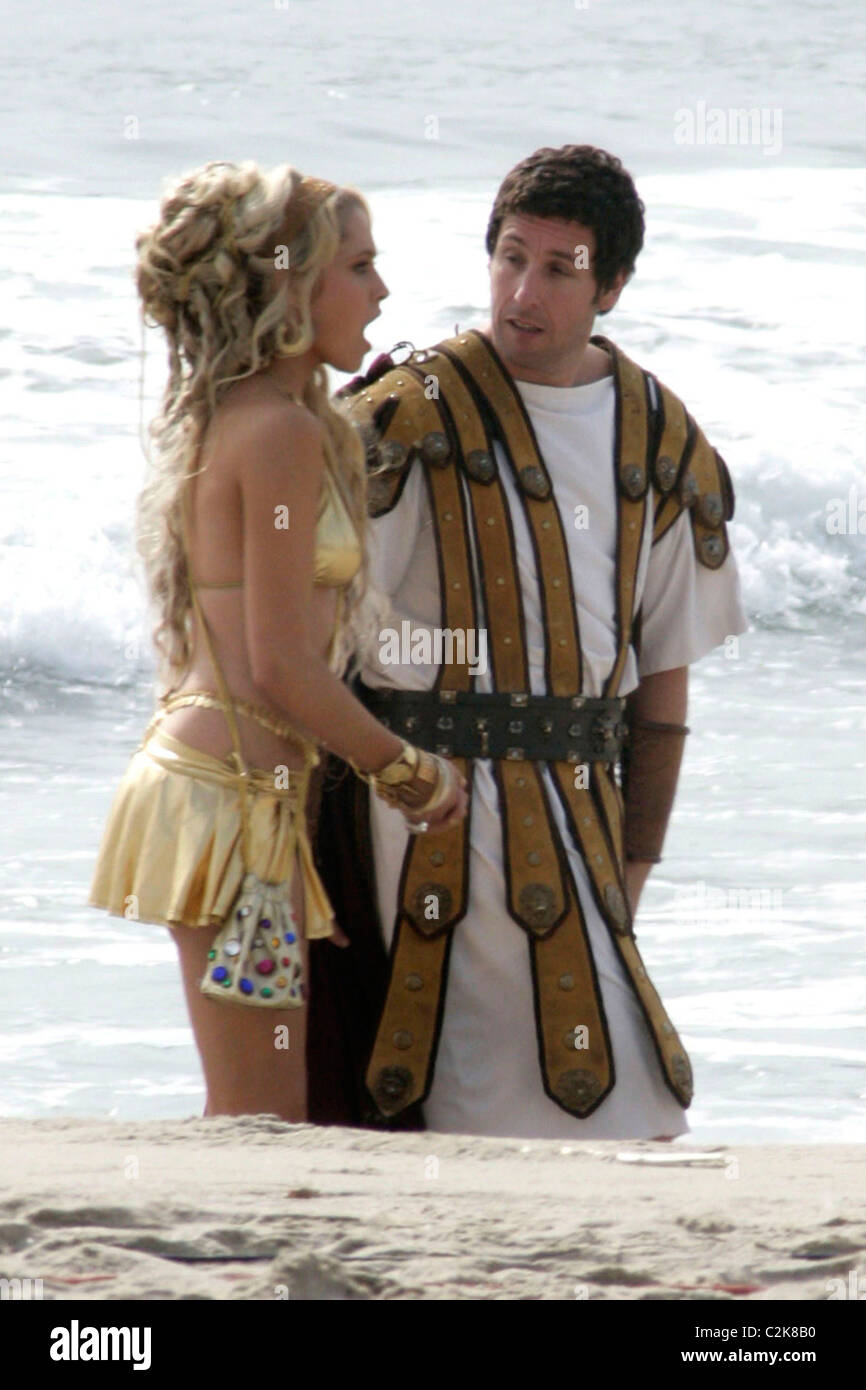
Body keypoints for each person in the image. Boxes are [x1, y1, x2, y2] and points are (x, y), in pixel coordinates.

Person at [307, 144, 749, 1140]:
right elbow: (309, 646)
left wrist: (635, 865)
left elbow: (661, 686)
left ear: (612, 286)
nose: (522, 292)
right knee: (463, 1094)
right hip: (424, 810)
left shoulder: (658, 436)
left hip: (582, 819)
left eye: (559, 268)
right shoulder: (401, 418)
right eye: (511, 257)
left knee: (625, 1102)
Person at [89, 159, 467, 1124]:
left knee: (256, 1112)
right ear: (292, 289)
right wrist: (408, 773)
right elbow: (281, 663)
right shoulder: (280, 436)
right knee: (258, 1119)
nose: (382, 291)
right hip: (229, 803)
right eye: (360, 266)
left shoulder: (259, 420)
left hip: (227, 792)